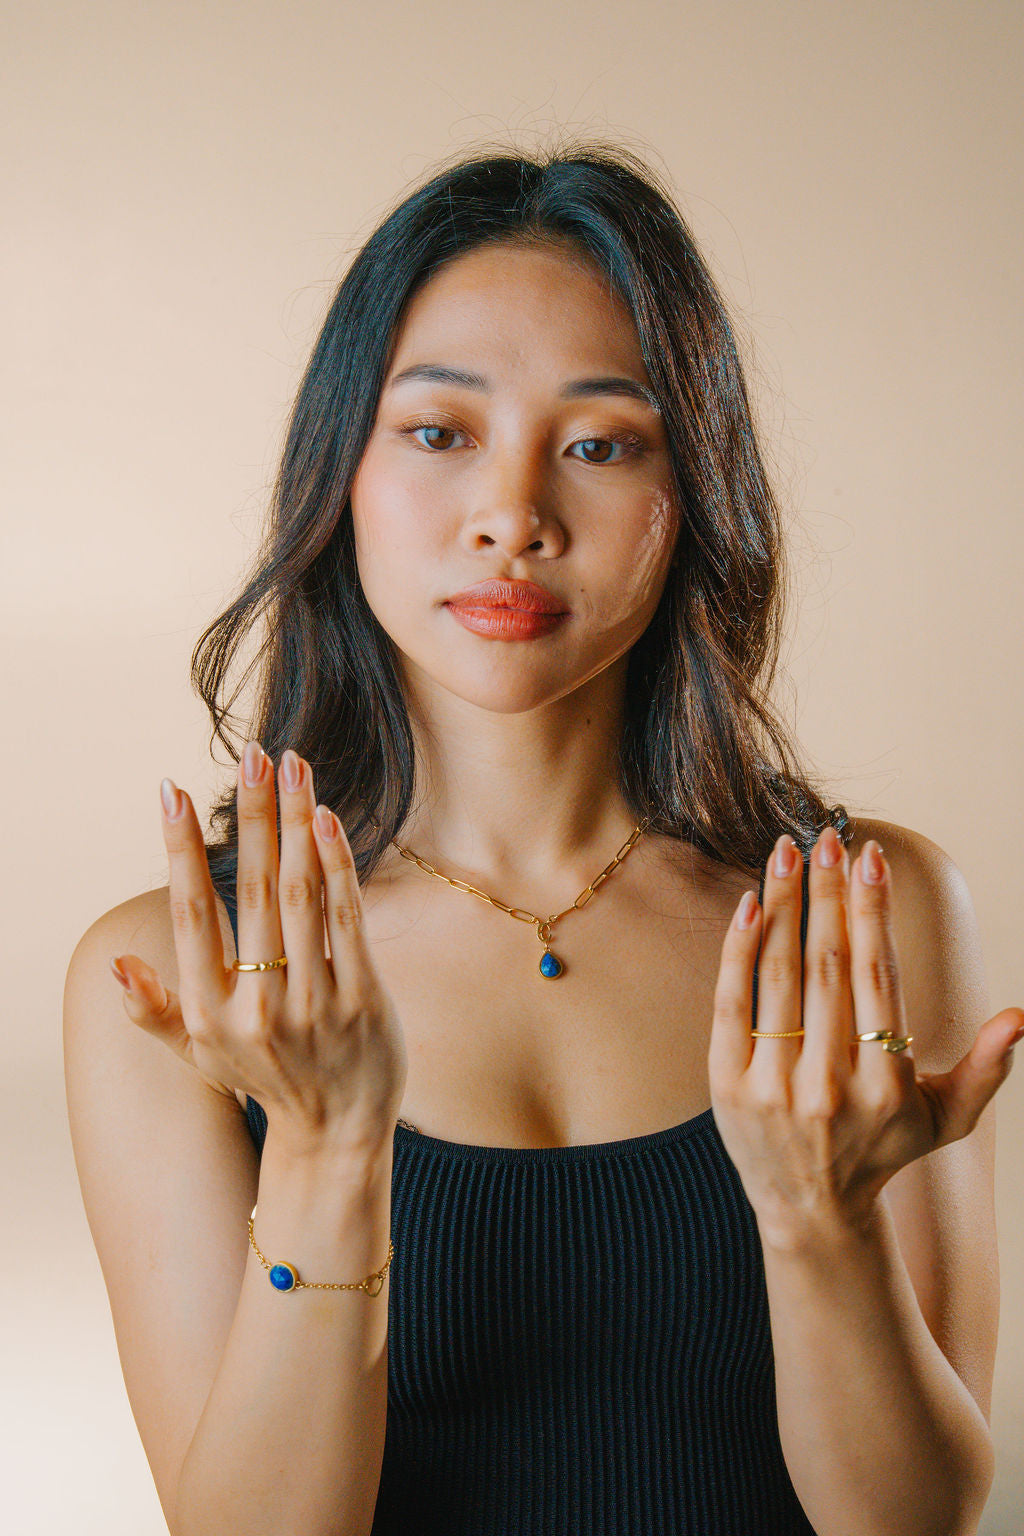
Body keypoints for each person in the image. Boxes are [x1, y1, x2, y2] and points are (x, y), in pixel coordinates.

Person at [63, 141, 1018, 1536]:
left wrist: (821, 1219)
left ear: (692, 493)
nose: (513, 517)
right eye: (441, 433)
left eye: (600, 444)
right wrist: (327, 1149)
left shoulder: (864, 912)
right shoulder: (174, 976)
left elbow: (911, 1521)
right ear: (342, 472)